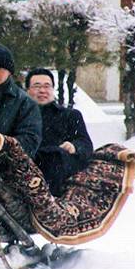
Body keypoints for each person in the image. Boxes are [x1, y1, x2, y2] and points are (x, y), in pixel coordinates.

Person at [25, 68, 93, 196]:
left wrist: (74, 146)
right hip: (28, 167)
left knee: (54, 157)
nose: (42, 90)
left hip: (58, 169)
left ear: (53, 89)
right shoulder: (20, 117)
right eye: (36, 86)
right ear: (27, 91)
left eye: (47, 86)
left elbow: (85, 144)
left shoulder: (70, 115)